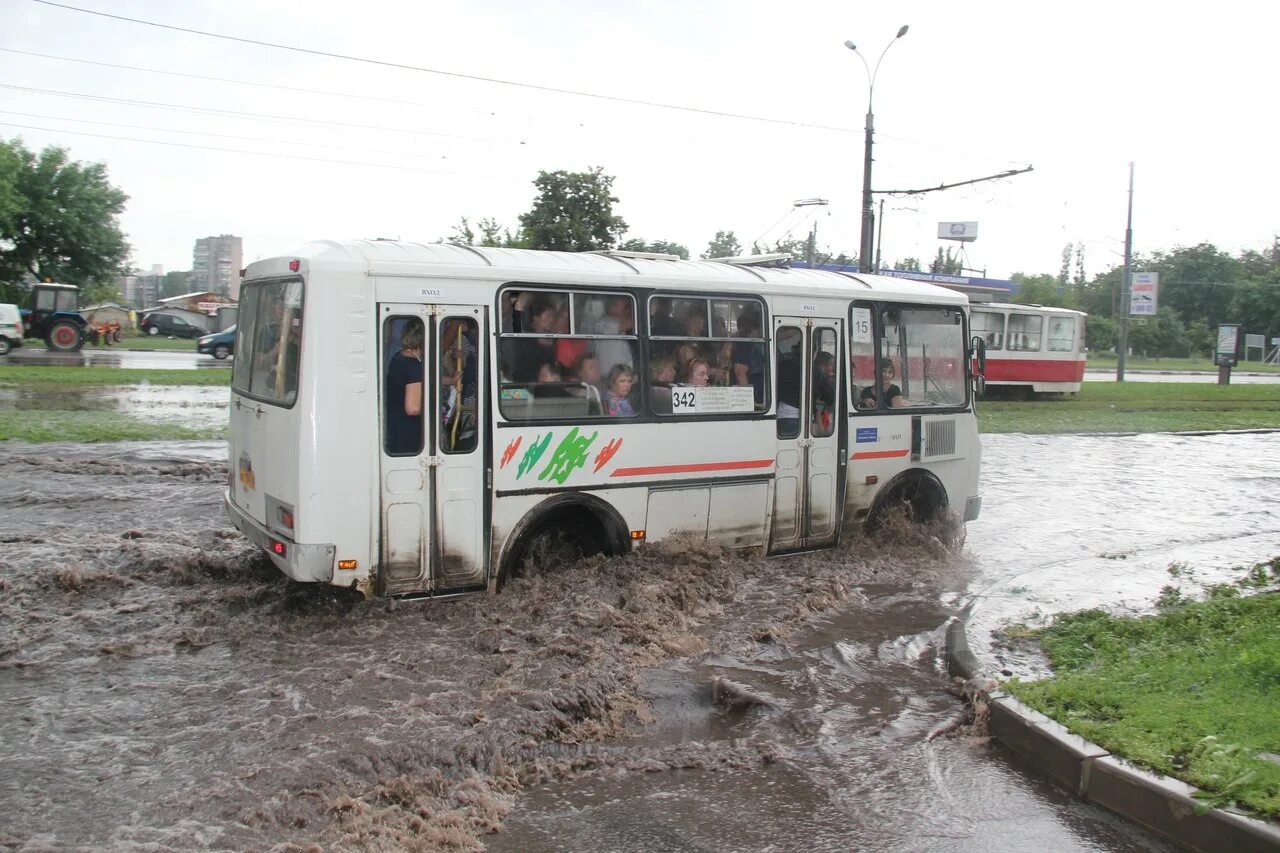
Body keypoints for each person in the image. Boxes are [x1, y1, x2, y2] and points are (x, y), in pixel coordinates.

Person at [386, 318, 425, 454]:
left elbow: (420, 380)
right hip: (408, 431)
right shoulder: (415, 366)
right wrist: (436, 407)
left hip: (395, 424)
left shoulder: (399, 358)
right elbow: (413, 408)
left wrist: (450, 380)